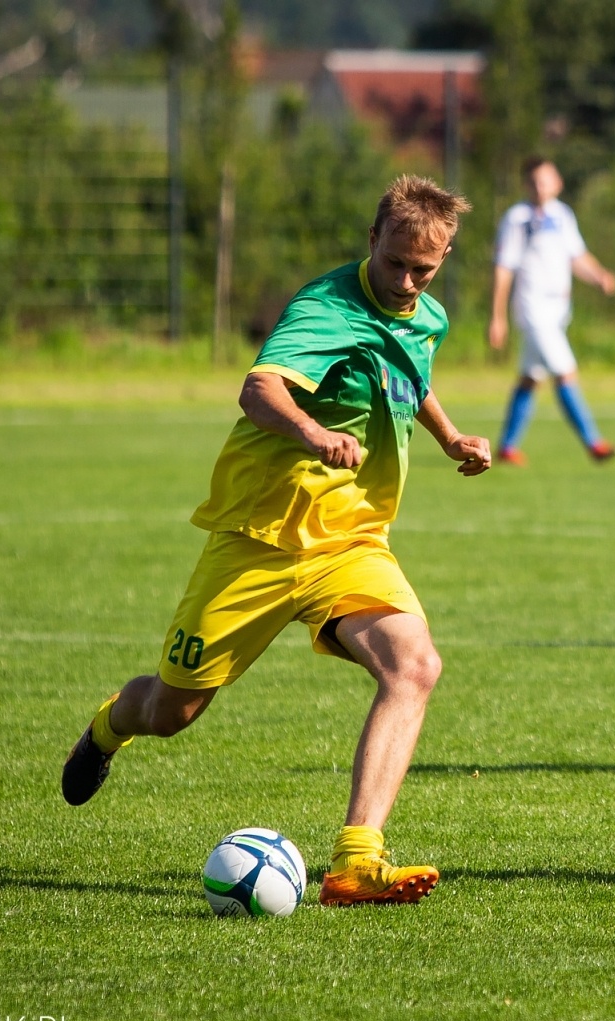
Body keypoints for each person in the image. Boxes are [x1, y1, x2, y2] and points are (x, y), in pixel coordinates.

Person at [60, 175, 491, 908]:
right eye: (396, 264)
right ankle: (109, 725)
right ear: (372, 241)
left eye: (426, 268)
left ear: (445, 253)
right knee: (173, 710)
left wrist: (450, 437)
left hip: (351, 541)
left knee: (415, 666)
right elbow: (258, 388)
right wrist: (312, 431)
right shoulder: (323, 308)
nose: (407, 281)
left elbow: (409, 374)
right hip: (260, 538)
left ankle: (356, 860)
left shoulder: (428, 316)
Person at [489, 156, 615, 466]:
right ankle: (594, 443)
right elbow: (504, 268)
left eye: (545, 179)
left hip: (557, 311)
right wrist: (497, 316)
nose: (540, 186)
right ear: (526, 185)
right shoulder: (517, 218)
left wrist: (599, 275)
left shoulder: (562, 215)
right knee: (565, 372)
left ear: (558, 183)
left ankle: (507, 447)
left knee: (529, 378)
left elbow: (576, 257)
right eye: (533, 181)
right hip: (533, 310)